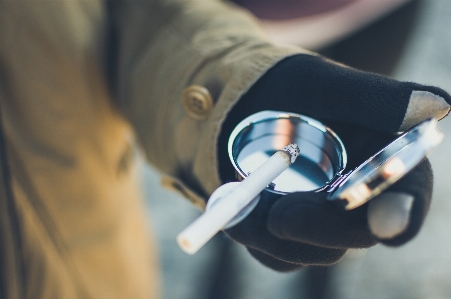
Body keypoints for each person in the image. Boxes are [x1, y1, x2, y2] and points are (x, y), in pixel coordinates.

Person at [0, 0, 449, 298]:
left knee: (330, 204)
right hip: (243, 6)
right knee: (245, 208)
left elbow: (114, 16)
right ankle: (224, 268)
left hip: (366, 10)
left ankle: (321, 281)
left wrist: (230, 85)